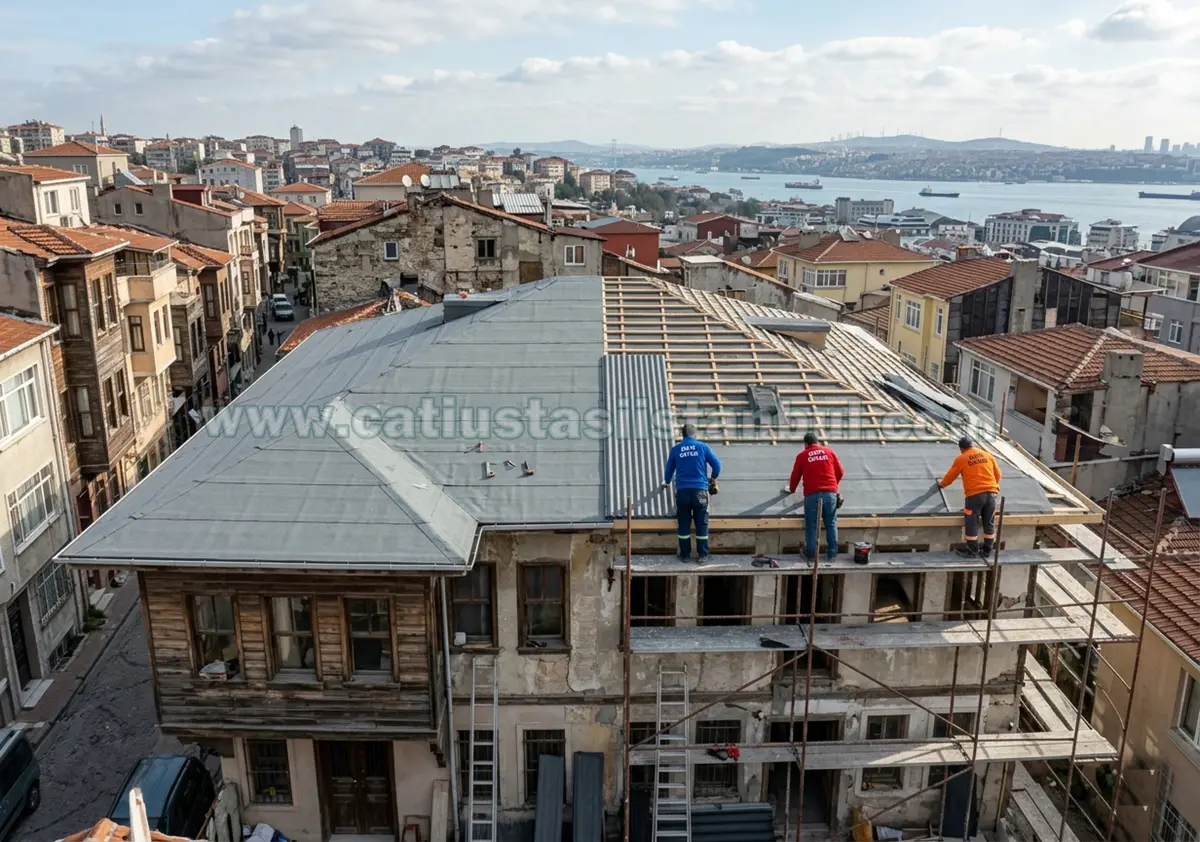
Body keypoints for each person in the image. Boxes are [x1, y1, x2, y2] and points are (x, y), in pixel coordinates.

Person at [663, 423, 721, 560]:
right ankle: (702, 555)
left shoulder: (676, 449)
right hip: (699, 491)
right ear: (695, 434)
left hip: (683, 492)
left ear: (683, 436)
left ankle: (685, 555)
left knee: (683, 524)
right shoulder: (703, 447)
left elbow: (668, 472)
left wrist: (666, 481)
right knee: (701, 523)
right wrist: (713, 478)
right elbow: (717, 465)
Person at [938, 437, 1002, 557]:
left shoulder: (962, 458)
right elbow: (998, 474)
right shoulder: (987, 455)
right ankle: (987, 550)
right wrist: (993, 487)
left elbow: (951, 476)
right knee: (989, 522)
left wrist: (942, 484)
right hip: (992, 494)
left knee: (972, 521)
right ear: (973, 445)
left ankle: (972, 551)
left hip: (975, 495)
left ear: (961, 449)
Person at [787, 432, 845, 561]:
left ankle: (811, 554)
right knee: (831, 523)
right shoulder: (829, 452)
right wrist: (833, 486)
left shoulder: (802, 455)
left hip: (812, 495)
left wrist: (792, 490)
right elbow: (840, 472)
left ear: (806, 444)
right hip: (830, 494)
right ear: (817, 442)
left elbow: (795, 475)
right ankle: (832, 554)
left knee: (812, 525)